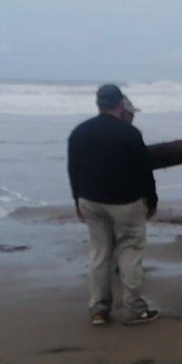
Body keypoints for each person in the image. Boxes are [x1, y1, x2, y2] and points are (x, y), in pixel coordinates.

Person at [67, 84, 159, 326]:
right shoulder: (129, 133)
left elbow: (73, 170)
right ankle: (135, 309)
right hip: (126, 201)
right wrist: (152, 200)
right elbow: (144, 171)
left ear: (98, 104)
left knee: (99, 254)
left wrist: (77, 200)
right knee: (130, 251)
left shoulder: (79, 132)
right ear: (120, 104)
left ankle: (98, 309)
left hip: (90, 199)